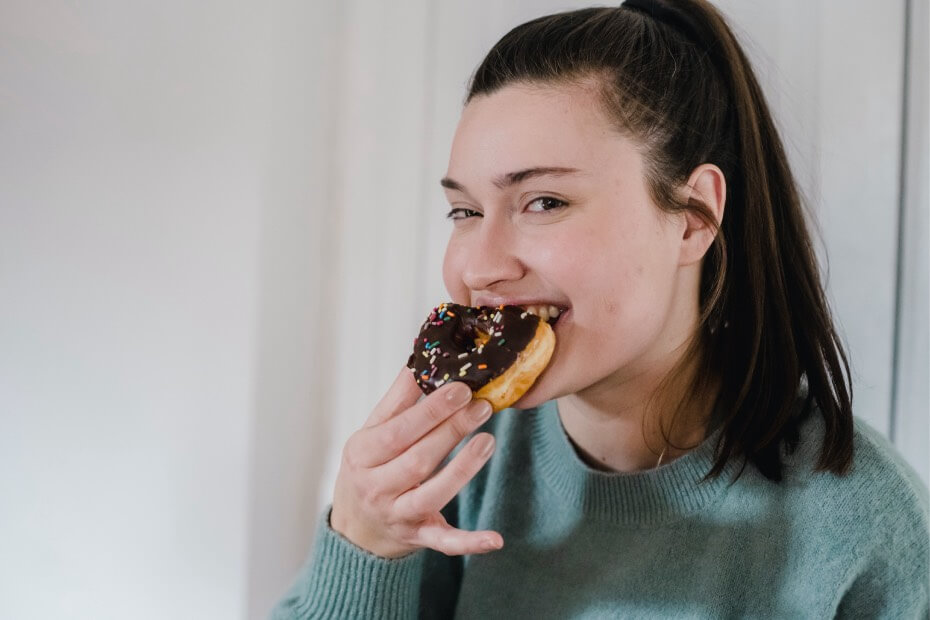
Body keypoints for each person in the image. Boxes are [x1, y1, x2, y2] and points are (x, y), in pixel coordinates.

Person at [273, 0, 929, 617]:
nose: (478, 267)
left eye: (543, 202)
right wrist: (361, 543)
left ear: (694, 217)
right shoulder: (456, 467)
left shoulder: (867, 523)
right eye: (465, 211)